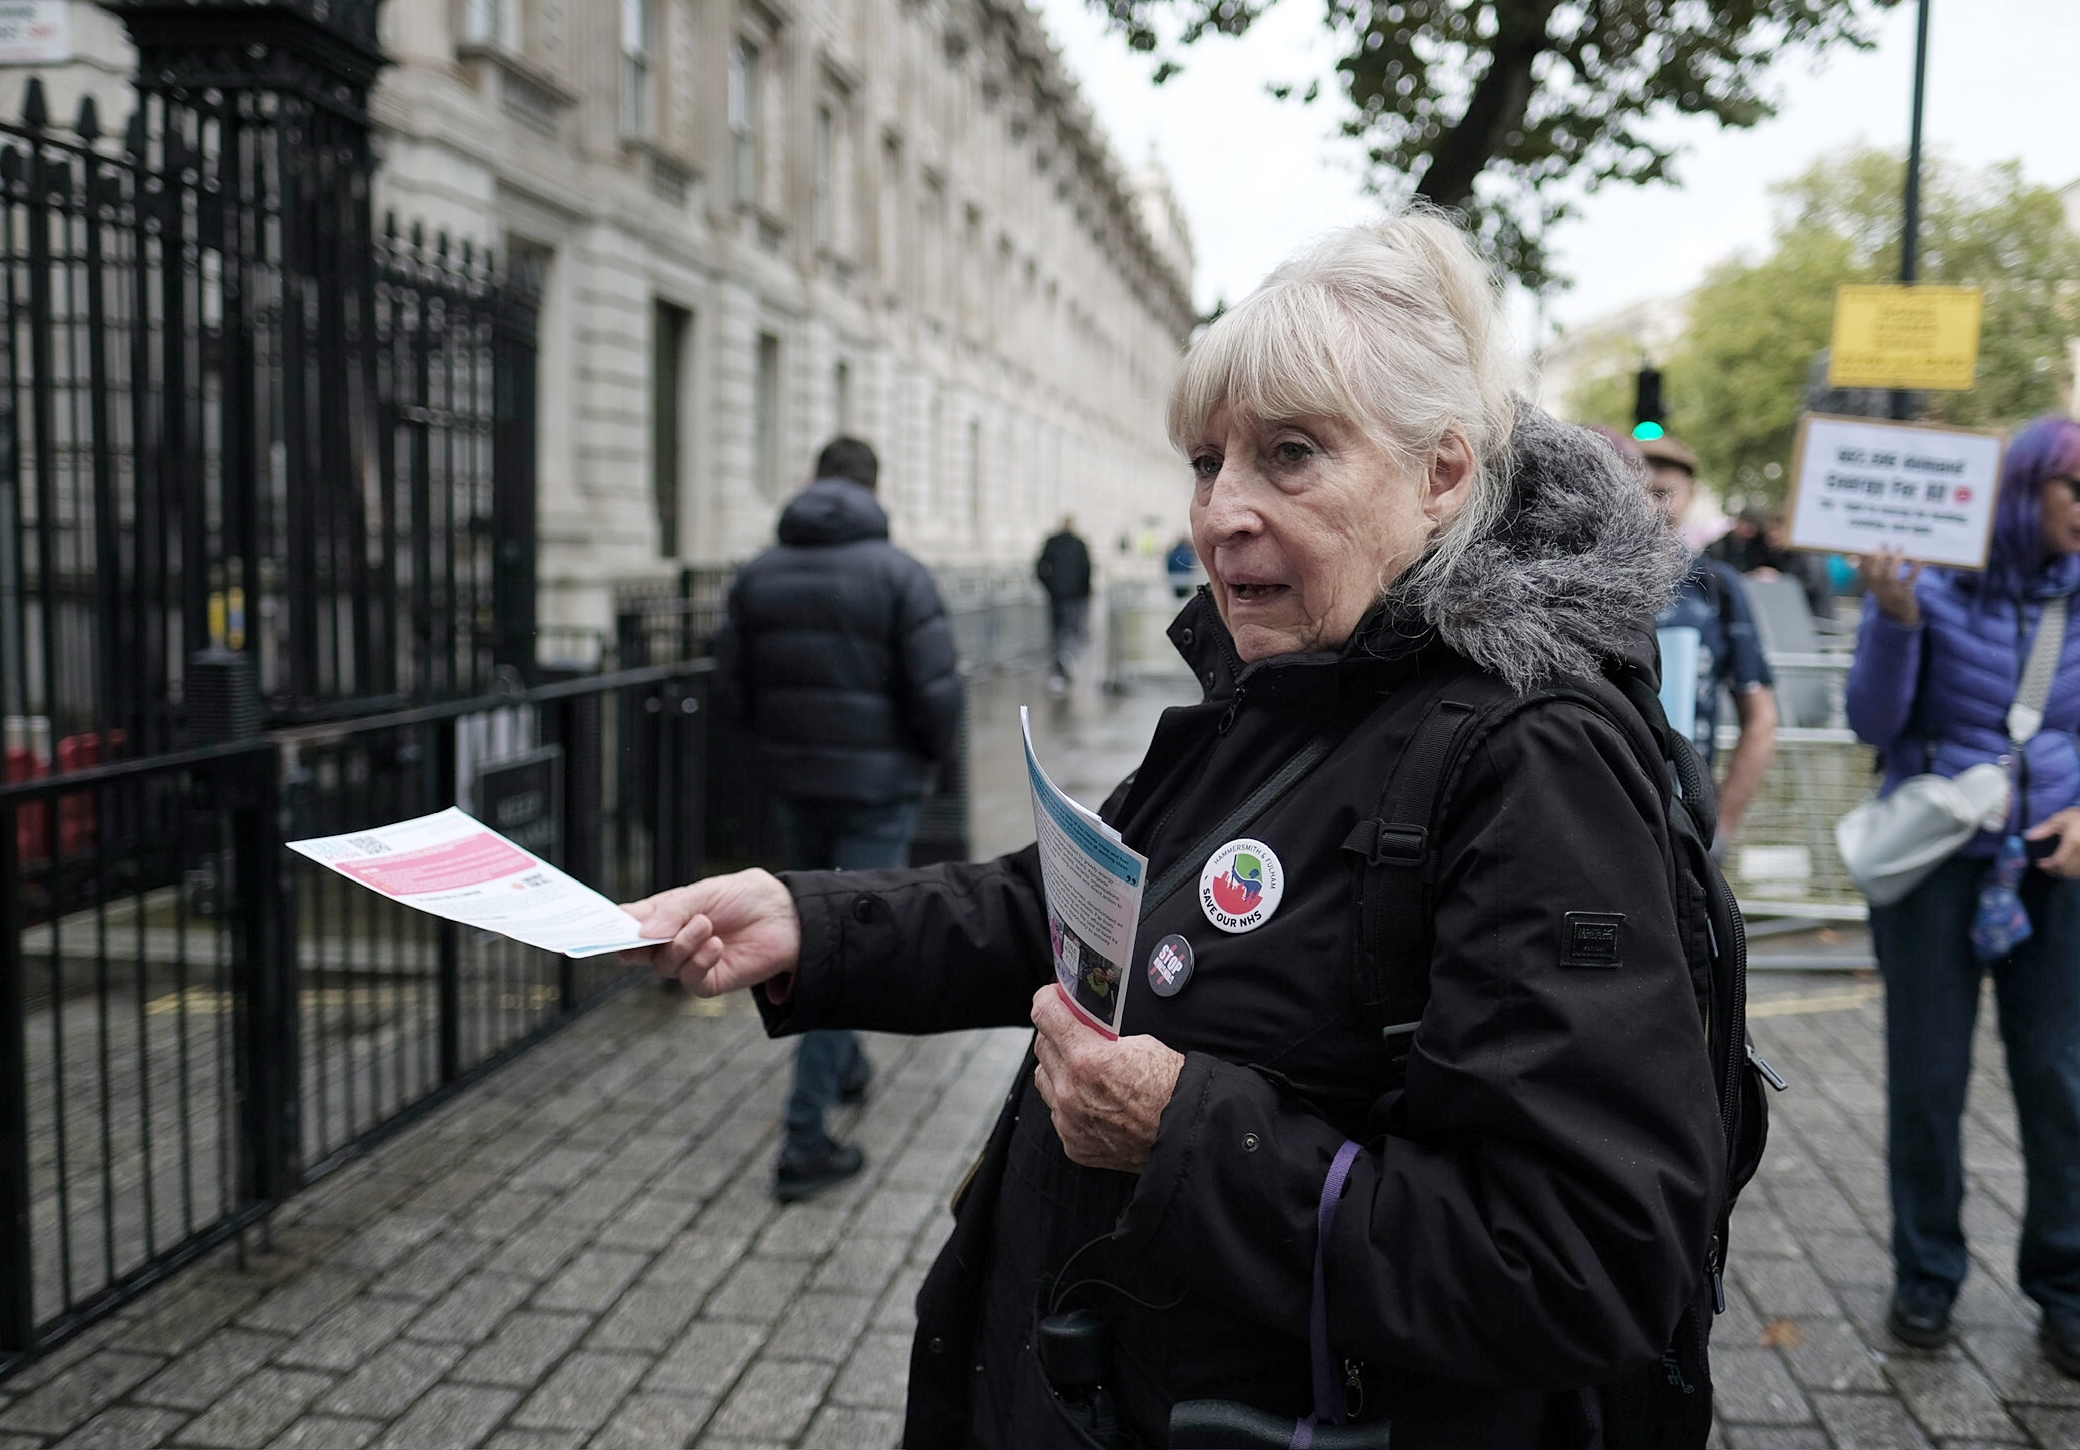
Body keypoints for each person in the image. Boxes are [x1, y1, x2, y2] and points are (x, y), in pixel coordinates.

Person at [629, 216, 1724, 1446]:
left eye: (1290, 455)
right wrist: (808, 921)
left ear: (1440, 475)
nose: (1222, 514)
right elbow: (1096, 911)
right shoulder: (1299, 679)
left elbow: (1581, 1261)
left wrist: (1181, 1133)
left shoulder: (1529, 762)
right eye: (1207, 462)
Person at [1847, 417, 2080, 1381]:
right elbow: (1874, 722)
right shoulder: (1923, 581)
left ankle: (2074, 1289)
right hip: (1939, 867)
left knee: (2054, 1077)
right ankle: (1927, 1274)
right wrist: (1893, 621)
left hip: (2054, 864)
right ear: (2025, 493)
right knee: (1927, 1081)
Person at [714, 435, 962, 1202]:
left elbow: (732, 690)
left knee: (822, 922)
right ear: (873, 488)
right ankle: (804, 1139)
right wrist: (924, 757)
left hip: (798, 785)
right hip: (878, 791)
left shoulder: (758, 575)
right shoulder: (899, 576)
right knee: (842, 947)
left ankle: (846, 1063)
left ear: (814, 481)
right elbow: (936, 694)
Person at [1642, 436, 1780, 844]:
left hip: (1682, 818)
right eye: (1634, 492)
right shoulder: (1582, 580)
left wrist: (1722, 824)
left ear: (1691, 495)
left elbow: (1760, 716)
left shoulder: (1716, 587)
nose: (1649, 506)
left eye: (1661, 493)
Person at [1037, 515, 1094, 690]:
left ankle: (1058, 669)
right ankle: (1065, 658)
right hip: (1073, 596)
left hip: (1057, 596)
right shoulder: (1079, 544)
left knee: (1057, 633)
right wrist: (1085, 593)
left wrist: (1049, 586)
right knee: (1072, 630)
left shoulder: (1053, 542)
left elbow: (1040, 567)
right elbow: (1087, 570)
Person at [1165, 532, 1200, 598]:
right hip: (1185, 582)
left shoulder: (1173, 553)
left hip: (1175, 582)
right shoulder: (1188, 554)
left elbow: (1169, 567)